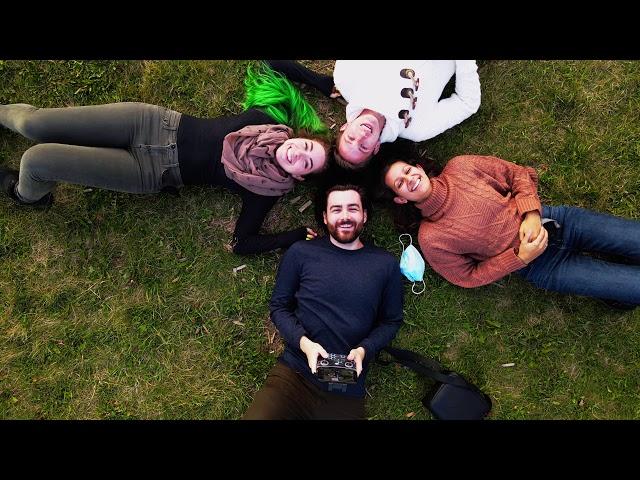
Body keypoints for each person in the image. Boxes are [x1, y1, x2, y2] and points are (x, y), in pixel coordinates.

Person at [0, 62, 330, 255]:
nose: (298, 153)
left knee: (37, 161)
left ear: (298, 177)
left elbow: (242, 243)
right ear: (299, 136)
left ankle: (22, 194)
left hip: (148, 172)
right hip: (149, 122)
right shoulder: (266, 119)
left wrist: (294, 237)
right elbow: (270, 63)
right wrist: (323, 82)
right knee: (33, 123)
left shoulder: (265, 191)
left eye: (305, 162)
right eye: (306, 146)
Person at [382, 154, 640, 307]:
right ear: (400, 199)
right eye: (400, 183)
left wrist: (530, 214)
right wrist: (519, 258)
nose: (410, 179)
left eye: (407, 170)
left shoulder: (460, 166)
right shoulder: (431, 237)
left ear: (419, 168)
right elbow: (467, 277)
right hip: (542, 266)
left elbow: (516, 174)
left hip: (559, 221)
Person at [243, 184, 403, 419]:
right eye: (336, 209)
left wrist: (363, 351)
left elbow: (391, 321)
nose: (345, 216)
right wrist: (304, 343)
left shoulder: (385, 264)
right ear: (326, 217)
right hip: (294, 374)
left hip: (346, 387)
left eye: (353, 208)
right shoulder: (300, 253)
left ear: (365, 215)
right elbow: (279, 307)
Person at [267, 60, 481, 169]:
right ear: (376, 148)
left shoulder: (346, 79)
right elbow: (467, 103)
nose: (361, 137)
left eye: (351, 138)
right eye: (363, 146)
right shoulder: (417, 129)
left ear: (344, 126)